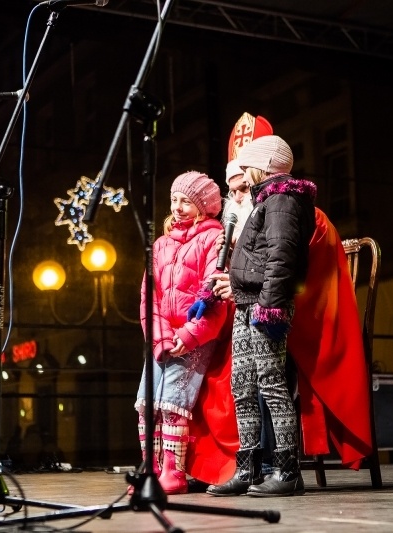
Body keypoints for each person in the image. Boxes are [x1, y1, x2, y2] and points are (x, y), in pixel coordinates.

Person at [201, 134, 316, 497]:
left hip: (264, 305)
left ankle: (287, 470)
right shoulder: (268, 199)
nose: (245, 171)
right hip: (246, 302)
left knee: (271, 384)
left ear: (262, 166)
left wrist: (270, 306)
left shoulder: (282, 200)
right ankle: (247, 468)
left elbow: (281, 257)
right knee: (243, 386)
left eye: (248, 165)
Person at [134, 170, 233, 495]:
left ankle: (173, 472)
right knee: (147, 402)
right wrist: (161, 337)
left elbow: (213, 296)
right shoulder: (160, 245)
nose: (177, 207)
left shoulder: (214, 239)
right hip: (163, 338)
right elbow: (150, 297)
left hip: (193, 337)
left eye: (186, 202)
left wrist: (187, 336)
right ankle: (150, 468)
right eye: (174, 200)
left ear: (204, 207)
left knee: (173, 403)